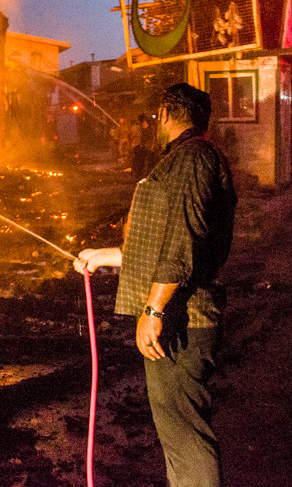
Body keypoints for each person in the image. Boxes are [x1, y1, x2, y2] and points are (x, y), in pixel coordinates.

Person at [74, 83, 236, 487]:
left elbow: (182, 241)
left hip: (183, 318)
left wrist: (153, 310)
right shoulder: (188, 158)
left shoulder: (192, 157)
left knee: (184, 435)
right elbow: (165, 244)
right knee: (176, 433)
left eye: (155, 117)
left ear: (165, 114)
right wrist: (103, 255)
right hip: (179, 313)